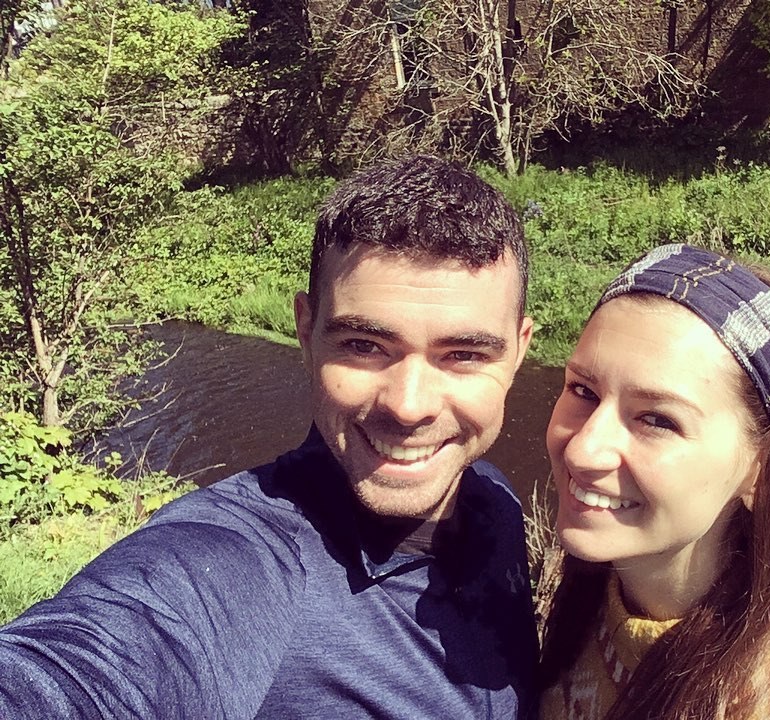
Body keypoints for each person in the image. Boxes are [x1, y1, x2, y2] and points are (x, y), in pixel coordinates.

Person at [0, 155, 538, 719]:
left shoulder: (495, 501)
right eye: (363, 345)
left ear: (519, 350)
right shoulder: (231, 563)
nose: (408, 406)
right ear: (306, 332)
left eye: (464, 354)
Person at [538, 243, 770, 719]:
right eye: (583, 390)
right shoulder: (600, 601)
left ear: (764, 470)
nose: (583, 450)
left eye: (657, 420)